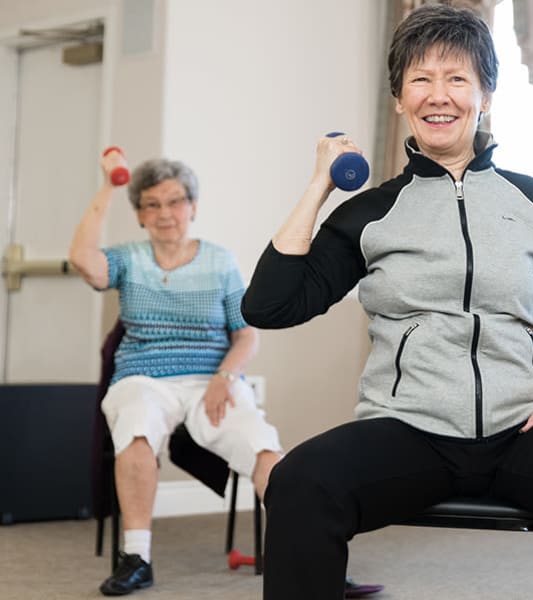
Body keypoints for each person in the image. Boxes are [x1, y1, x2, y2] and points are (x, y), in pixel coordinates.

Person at [240, 5, 533, 599]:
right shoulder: (370, 213)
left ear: (486, 95)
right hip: (409, 429)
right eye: (421, 79)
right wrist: (319, 186)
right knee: (298, 481)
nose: (439, 95)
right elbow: (269, 307)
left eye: (457, 79)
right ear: (399, 98)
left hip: (527, 426)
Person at [69, 156, 382, 598]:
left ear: (192, 206)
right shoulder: (127, 259)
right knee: (136, 427)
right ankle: (136, 558)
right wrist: (108, 186)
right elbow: (82, 259)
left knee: (263, 446)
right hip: (143, 378)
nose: (164, 213)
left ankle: (312, 559)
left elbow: (245, 336)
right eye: (152, 205)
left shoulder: (218, 261)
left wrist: (224, 377)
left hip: (211, 381)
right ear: (139, 213)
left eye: (175, 202)